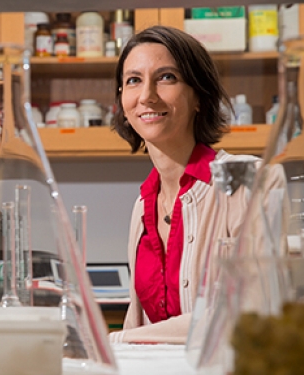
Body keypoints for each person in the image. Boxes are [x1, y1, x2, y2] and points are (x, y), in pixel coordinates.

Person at [108, 25, 259, 344]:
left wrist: (117, 340)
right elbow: (137, 322)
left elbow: (251, 312)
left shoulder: (244, 178)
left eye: (166, 77)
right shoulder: (142, 206)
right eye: (133, 80)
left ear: (199, 98)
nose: (147, 96)